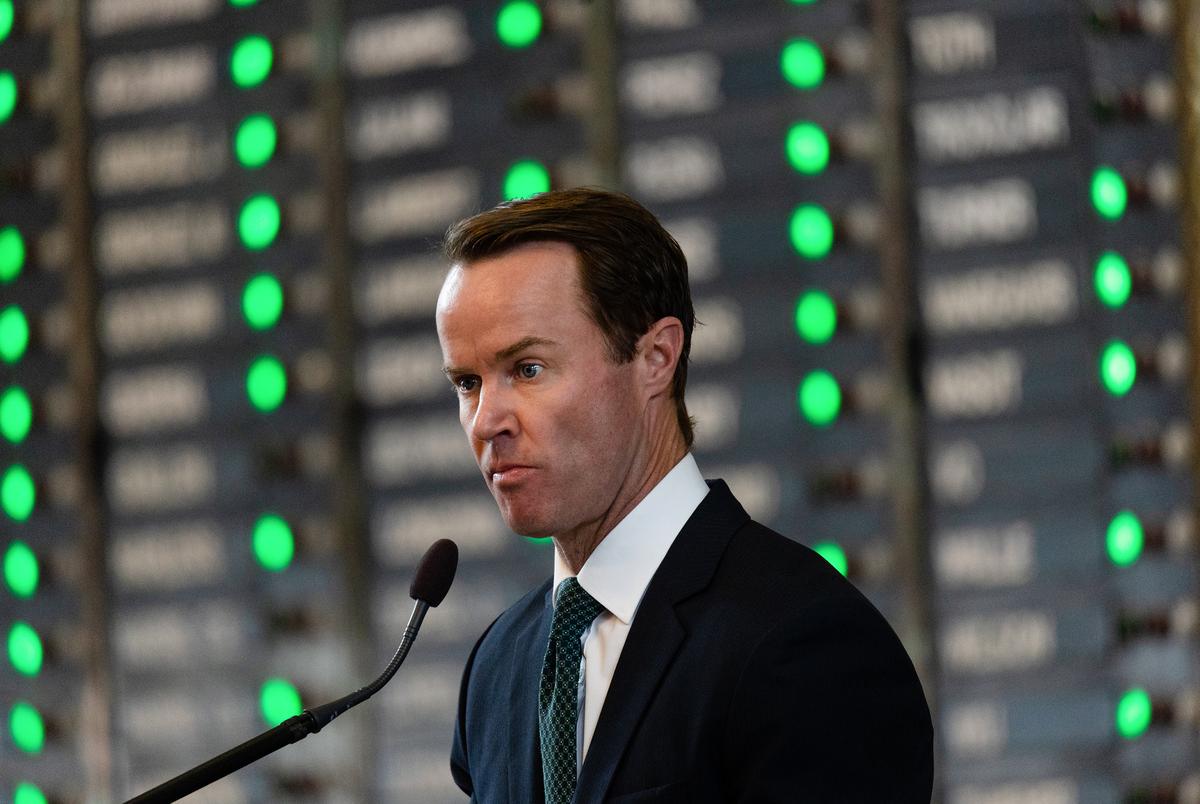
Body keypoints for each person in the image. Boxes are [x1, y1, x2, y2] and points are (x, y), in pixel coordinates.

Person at [436, 187, 933, 803]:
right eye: (466, 382)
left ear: (656, 357)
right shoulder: (496, 668)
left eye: (528, 370)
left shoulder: (803, 640)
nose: (486, 421)